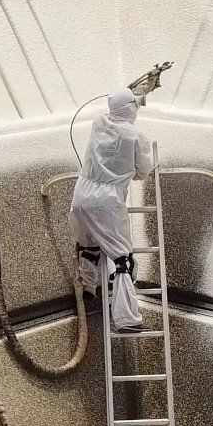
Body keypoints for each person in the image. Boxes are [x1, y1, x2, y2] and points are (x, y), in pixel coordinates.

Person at [71, 78, 158, 331]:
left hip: (81, 195)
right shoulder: (134, 136)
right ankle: (126, 319)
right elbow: (143, 171)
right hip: (107, 201)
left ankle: (88, 287)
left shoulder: (99, 123)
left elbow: (121, 104)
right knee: (122, 260)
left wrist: (137, 90)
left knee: (89, 246)